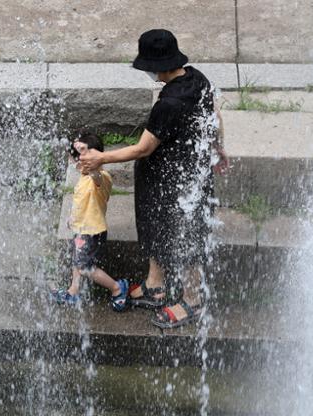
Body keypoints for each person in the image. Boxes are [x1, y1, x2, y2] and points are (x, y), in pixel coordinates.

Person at [79, 29, 229, 328]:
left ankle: (193, 301)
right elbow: (213, 114)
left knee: (186, 235)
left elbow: (144, 148)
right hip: (165, 177)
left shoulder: (169, 104)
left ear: (158, 65)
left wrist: (100, 158)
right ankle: (155, 286)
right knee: (153, 228)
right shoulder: (197, 77)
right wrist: (218, 147)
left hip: (178, 182)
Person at [51, 132, 130, 312]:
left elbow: (97, 178)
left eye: (85, 153)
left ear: (96, 155)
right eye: (78, 155)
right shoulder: (83, 177)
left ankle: (117, 288)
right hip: (82, 229)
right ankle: (74, 290)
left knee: (84, 266)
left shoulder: (101, 176)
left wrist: (93, 166)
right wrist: (73, 219)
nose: (80, 158)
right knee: (76, 260)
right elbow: (81, 202)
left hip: (93, 232)